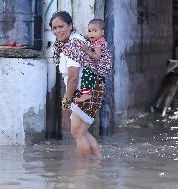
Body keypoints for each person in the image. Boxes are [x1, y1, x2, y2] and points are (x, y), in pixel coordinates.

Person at [49, 11, 112, 158]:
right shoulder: (70, 42)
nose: (58, 31)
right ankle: (96, 164)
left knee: (77, 133)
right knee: (81, 132)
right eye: (54, 28)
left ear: (70, 25)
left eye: (61, 26)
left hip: (87, 92)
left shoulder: (74, 44)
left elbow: (73, 78)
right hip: (90, 90)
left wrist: (67, 99)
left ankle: (82, 174)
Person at [77, 19, 106, 102]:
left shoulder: (98, 44)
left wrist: (86, 51)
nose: (91, 33)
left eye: (94, 31)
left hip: (98, 66)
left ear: (102, 33)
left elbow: (97, 57)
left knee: (86, 75)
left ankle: (86, 94)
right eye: (89, 31)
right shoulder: (98, 41)